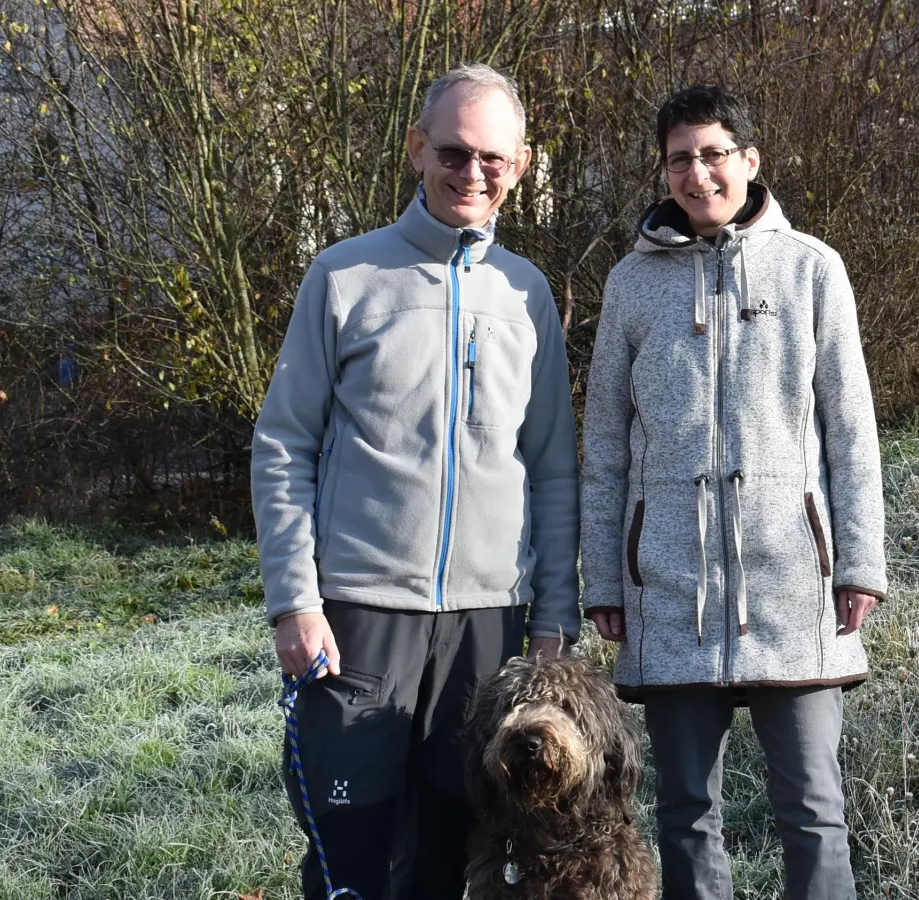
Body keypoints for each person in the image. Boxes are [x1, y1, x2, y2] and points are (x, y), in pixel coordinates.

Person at [251, 63, 579, 900]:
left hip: (489, 628)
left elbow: (550, 467)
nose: (471, 174)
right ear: (415, 150)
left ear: (523, 165)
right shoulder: (344, 276)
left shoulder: (528, 295)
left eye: (493, 160)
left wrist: (551, 620)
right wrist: (295, 601)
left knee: (454, 854)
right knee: (350, 857)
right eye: (453, 152)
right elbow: (284, 443)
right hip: (359, 620)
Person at [580, 84, 887, 900]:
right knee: (684, 812)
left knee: (813, 809)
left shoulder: (814, 270)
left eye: (714, 153)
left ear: (749, 161)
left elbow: (851, 429)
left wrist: (858, 563)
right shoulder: (629, 286)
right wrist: (605, 579)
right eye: (681, 157)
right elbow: (606, 444)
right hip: (671, 589)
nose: (698, 172)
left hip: (795, 581)